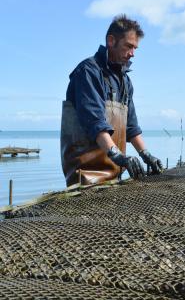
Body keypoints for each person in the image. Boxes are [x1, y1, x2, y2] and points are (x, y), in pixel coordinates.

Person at [61, 14, 163, 186]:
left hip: (115, 176)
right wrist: (118, 156)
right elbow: (96, 123)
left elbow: (131, 127)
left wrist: (146, 155)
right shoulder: (88, 72)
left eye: (135, 49)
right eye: (128, 46)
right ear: (111, 40)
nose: (132, 54)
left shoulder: (125, 81)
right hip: (85, 177)